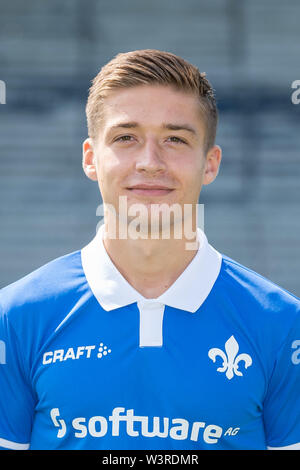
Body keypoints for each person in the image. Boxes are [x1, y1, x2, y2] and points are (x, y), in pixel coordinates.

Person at [0, 49, 299, 451]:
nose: (150, 161)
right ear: (91, 159)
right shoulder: (15, 318)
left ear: (210, 164)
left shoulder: (283, 326)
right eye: (126, 138)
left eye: (175, 139)